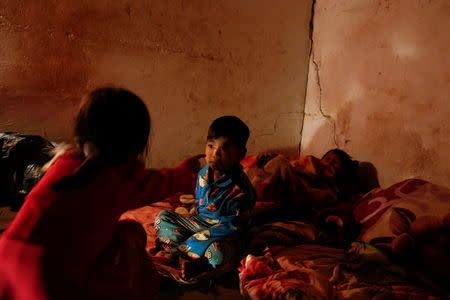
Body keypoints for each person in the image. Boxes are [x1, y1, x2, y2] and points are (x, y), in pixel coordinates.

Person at [0, 87, 203, 299]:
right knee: (130, 232)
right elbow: (162, 183)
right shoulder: (120, 178)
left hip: (6, 258)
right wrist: (185, 171)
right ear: (136, 144)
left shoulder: (63, 164)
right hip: (48, 276)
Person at [155, 116, 256, 280]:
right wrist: (193, 218)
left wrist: (196, 239)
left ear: (241, 154)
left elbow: (233, 226)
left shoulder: (239, 189)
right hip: (199, 225)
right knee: (162, 218)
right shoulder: (203, 173)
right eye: (211, 146)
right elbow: (199, 206)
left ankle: (185, 256)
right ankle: (190, 253)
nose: (215, 153)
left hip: (223, 232)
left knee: (218, 254)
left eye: (225, 149)